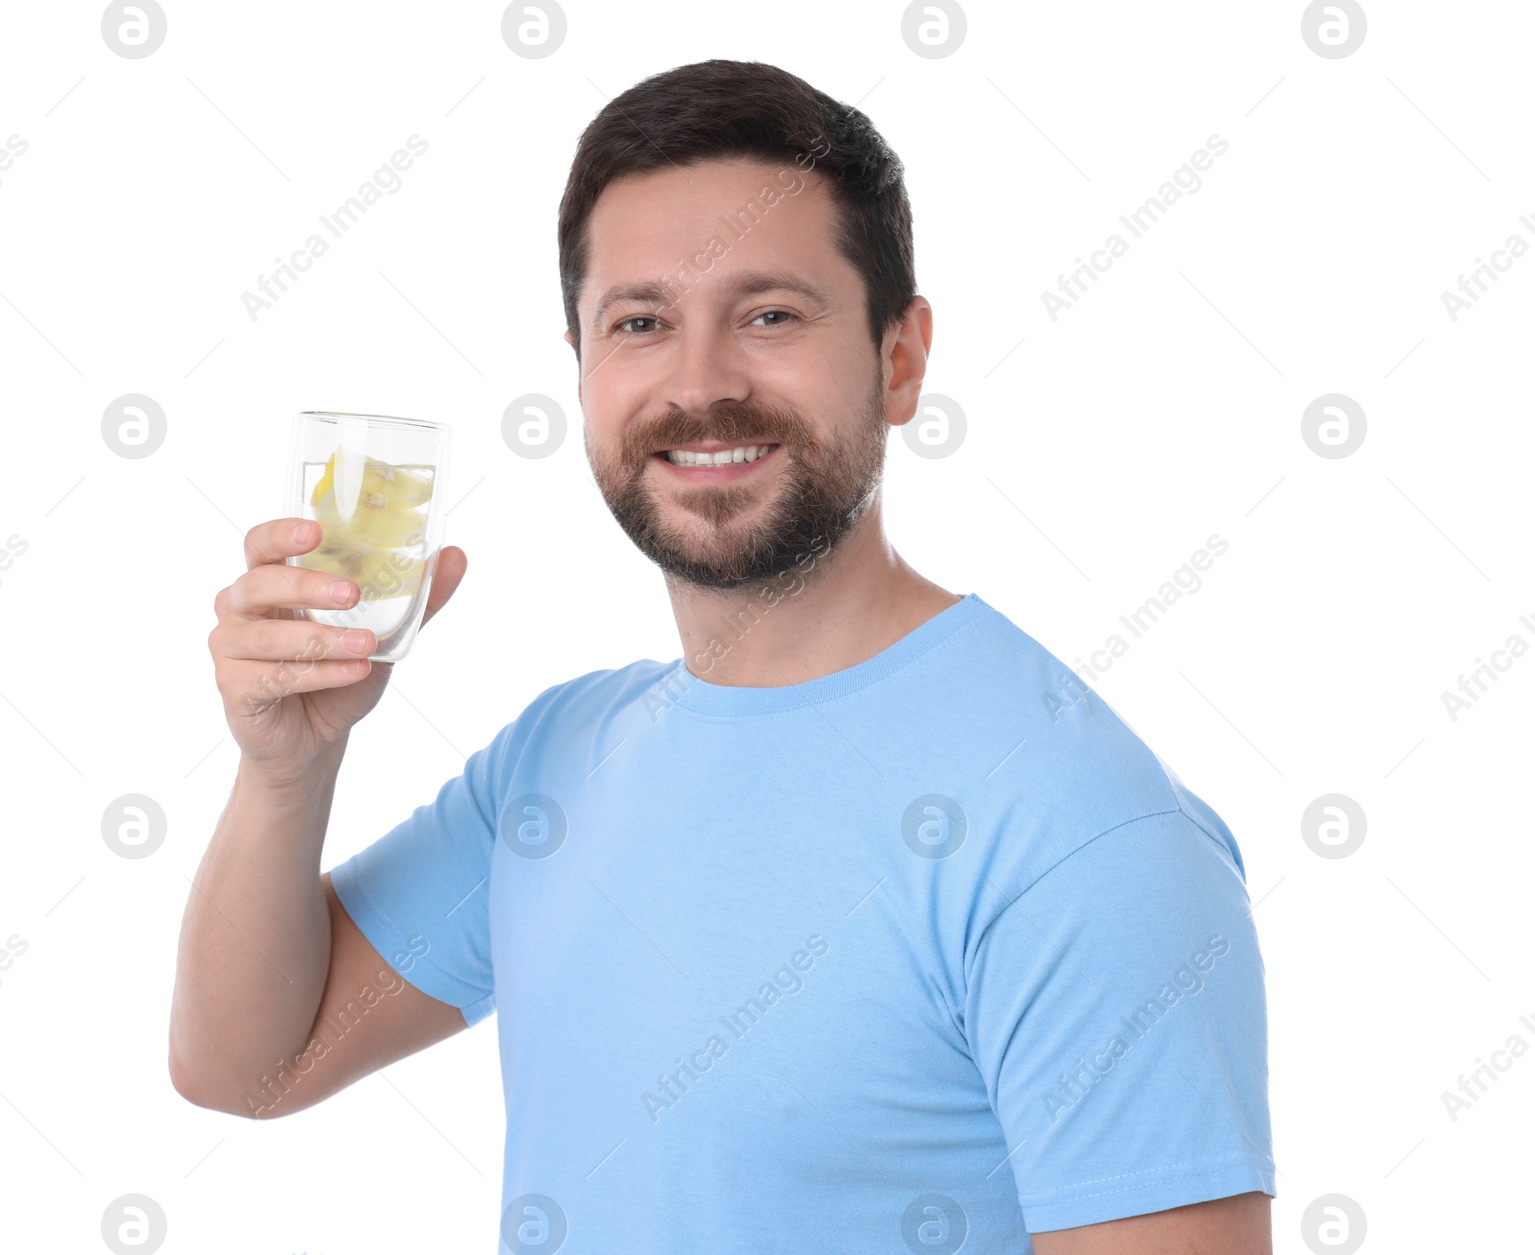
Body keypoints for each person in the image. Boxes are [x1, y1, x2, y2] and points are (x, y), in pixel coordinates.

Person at [171, 58, 1275, 1254]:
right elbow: (251, 1066)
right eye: (640, 323)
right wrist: (285, 771)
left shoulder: (1079, 828)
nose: (699, 385)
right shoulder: (556, 763)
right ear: (582, 368)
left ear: (899, 360)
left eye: (770, 315)